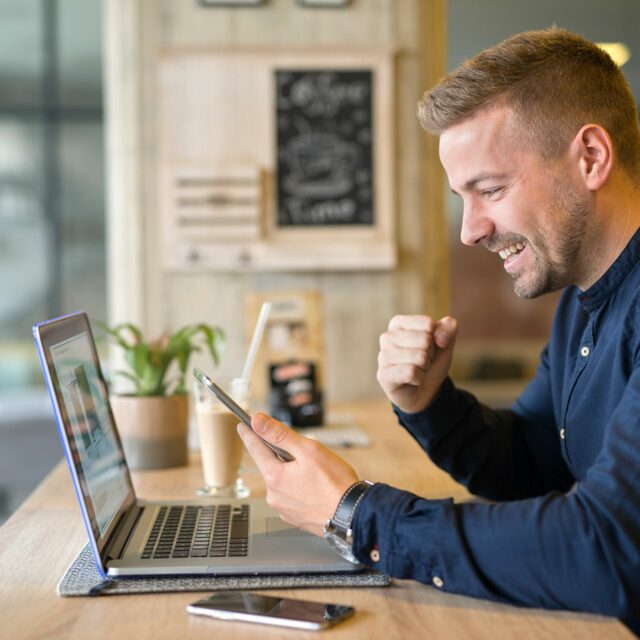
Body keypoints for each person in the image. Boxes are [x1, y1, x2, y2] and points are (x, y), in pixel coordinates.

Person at [237, 28, 640, 631]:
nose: (470, 230)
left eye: (491, 189)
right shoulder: (582, 300)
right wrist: (431, 405)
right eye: (462, 198)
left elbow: (606, 548)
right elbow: (533, 462)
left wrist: (356, 514)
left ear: (590, 157)